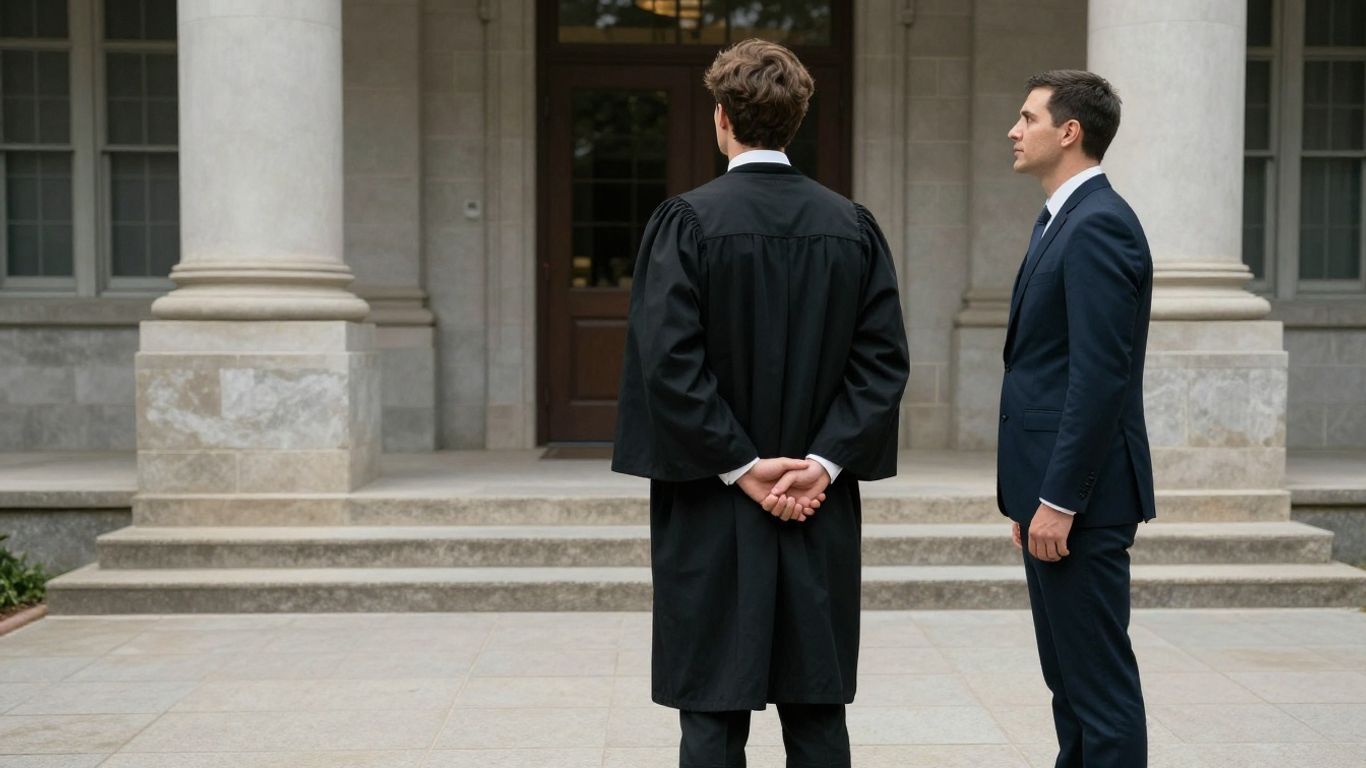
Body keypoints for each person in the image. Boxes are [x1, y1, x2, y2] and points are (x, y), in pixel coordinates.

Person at [612, 38, 909, 768]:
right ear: (796, 118)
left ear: (721, 119)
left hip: (712, 504)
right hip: (816, 504)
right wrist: (823, 464)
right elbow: (883, 362)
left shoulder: (686, 222)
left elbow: (669, 364)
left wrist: (743, 467)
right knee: (816, 712)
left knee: (711, 712)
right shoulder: (852, 227)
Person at [998, 69, 1156, 768]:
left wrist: (1059, 499)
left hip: (1083, 502)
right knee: (1070, 683)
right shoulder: (1062, 218)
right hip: (1052, 493)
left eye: (1027, 117)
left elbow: (1098, 380)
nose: (1013, 129)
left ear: (1070, 132)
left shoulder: (1098, 225)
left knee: (1098, 687)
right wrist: (1032, 494)